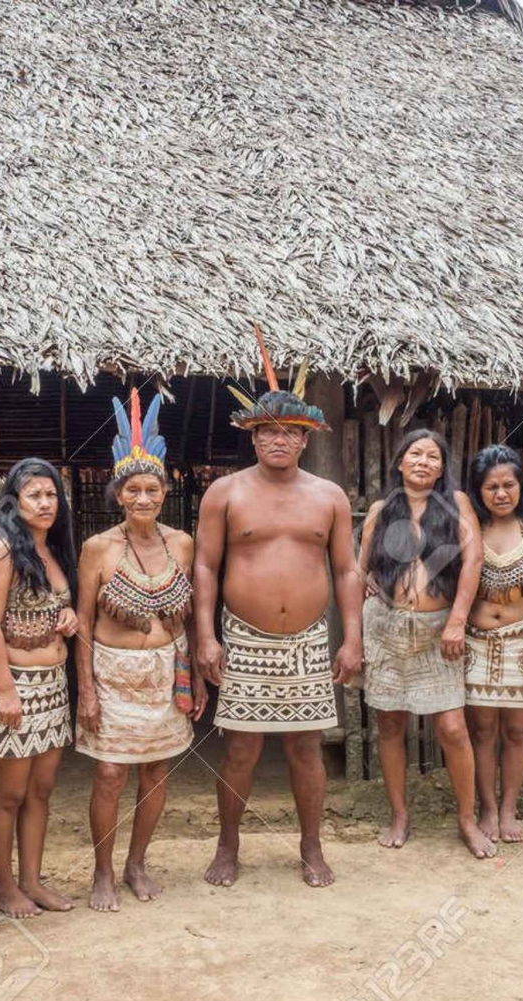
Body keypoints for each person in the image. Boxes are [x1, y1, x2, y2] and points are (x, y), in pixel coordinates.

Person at [197, 329, 363, 889]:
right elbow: (205, 568)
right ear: (253, 437)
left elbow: (346, 571)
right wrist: (206, 637)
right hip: (244, 637)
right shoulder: (225, 493)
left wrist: (352, 639)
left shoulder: (329, 496)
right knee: (241, 749)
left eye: (290, 432)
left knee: (305, 747)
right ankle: (228, 845)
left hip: (308, 640)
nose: (279, 440)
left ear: (305, 439)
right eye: (268, 430)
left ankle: (312, 847)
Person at [75, 388, 206, 912]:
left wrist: (195, 677)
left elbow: (189, 616)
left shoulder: (182, 544)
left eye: (153, 489)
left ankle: (136, 863)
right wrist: (86, 691)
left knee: (156, 772)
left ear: (165, 491)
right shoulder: (98, 549)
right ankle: (103, 871)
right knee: (110, 773)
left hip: (167, 671)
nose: (144, 498)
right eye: (134, 490)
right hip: (113, 674)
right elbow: (84, 624)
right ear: (119, 495)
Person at [356, 429, 493, 859]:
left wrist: (457, 621)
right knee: (389, 725)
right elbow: (359, 569)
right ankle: (399, 815)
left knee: (452, 727)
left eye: (433, 457)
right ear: (400, 462)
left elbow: (473, 560)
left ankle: (467, 819)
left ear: (441, 468)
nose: (423, 462)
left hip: (438, 631)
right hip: (386, 628)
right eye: (415, 454)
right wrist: (363, 616)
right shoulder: (381, 510)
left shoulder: (456, 504)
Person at [0, 458, 79, 918]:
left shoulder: (52, 551)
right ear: (13, 502)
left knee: (41, 791)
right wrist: (5, 691)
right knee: (10, 795)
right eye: (34, 495)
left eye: (51, 494)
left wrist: (69, 616)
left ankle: (32, 881)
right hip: (15, 686)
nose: (45, 503)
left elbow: (57, 606)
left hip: (52, 687)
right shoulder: (1, 552)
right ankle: (4, 887)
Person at [463, 444, 523, 845]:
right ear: (478, 490)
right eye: (491, 487)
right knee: (482, 731)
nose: (501, 494)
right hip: (477, 643)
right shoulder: (471, 528)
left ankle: (509, 810)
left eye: (508, 485)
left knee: (519, 731)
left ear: (522, 487)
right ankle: (487, 808)